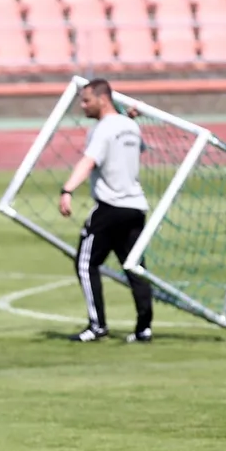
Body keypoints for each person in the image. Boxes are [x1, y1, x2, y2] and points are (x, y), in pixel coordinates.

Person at [59, 78, 153, 343]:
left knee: (85, 263)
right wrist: (129, 118)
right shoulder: (131, 127)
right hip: (135, 206)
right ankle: (144, 328)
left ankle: (97, 325)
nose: (82, 105)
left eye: (87, 100)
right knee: (134, 267)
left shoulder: (102, 129)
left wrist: (67, 190)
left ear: (103, 99)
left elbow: (89, 160)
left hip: (110, 206)